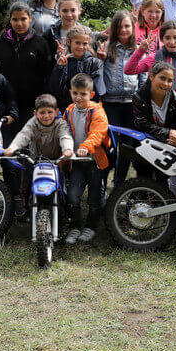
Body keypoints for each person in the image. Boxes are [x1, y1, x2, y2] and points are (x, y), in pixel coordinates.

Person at [0, 2, 55, 143]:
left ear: (30, 19)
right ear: (10, 20)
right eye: (15, 19)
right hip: (7, 101)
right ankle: (8, 165)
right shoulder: (0, 43)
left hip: (32, 101)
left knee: (28, 138)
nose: (19, 23)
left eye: (23, 19)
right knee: (8, 140)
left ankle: (28, 165)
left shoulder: (40, 43)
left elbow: (47, 72)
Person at [3, 94, 73, 216]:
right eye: (42, 112)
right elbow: (23, 136)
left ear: (56, 112)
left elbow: (65, 136)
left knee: (63, 185)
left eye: (50, 112)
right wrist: (12, 148)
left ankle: (65, 209)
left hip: (55, 160)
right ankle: (26, 209)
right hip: (35, 159)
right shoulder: (32, 123)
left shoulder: (61, 123)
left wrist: (67, 149)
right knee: (26, 184)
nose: (46, 116)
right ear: (36, 113)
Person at [61, 73, 111, 244]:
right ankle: (75, 226)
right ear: (70, 92)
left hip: (94, 161)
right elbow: (64, 131)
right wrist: (65, 147)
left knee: (95, 197)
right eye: (75, 93)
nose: (79, 97)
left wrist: (85, 147)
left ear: (91, 95)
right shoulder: (68, 111)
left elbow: (98, 133)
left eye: (83, 94)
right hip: (76, 162)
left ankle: (91, 226)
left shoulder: (97, 110)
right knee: (73, 196)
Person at [131, 63, 176, 178]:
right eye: (162, 78)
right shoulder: (139, 97)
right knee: (143, 180)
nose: (166, 84)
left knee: (163, 184)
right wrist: (168, 133)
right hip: (144, 146)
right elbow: (141, 124)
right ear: (151, 77)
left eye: (170, 80)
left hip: (167, 149)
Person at [125, 21, 176, 107]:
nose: (172, 42)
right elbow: (129, 70)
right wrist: (141, 50)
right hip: (153, 109)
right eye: (167, 38)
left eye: (175, 37)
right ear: (161, 39)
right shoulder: (153, 58)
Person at [48, 25, 105, 110]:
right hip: (66, 109)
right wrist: (60, 67)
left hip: (88, 110)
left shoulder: (95, 63)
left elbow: (99, 91)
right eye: (77, 43)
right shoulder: (63, 62)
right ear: (69, 42)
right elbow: (55, 89)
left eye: (85, 43)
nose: (81, 47)